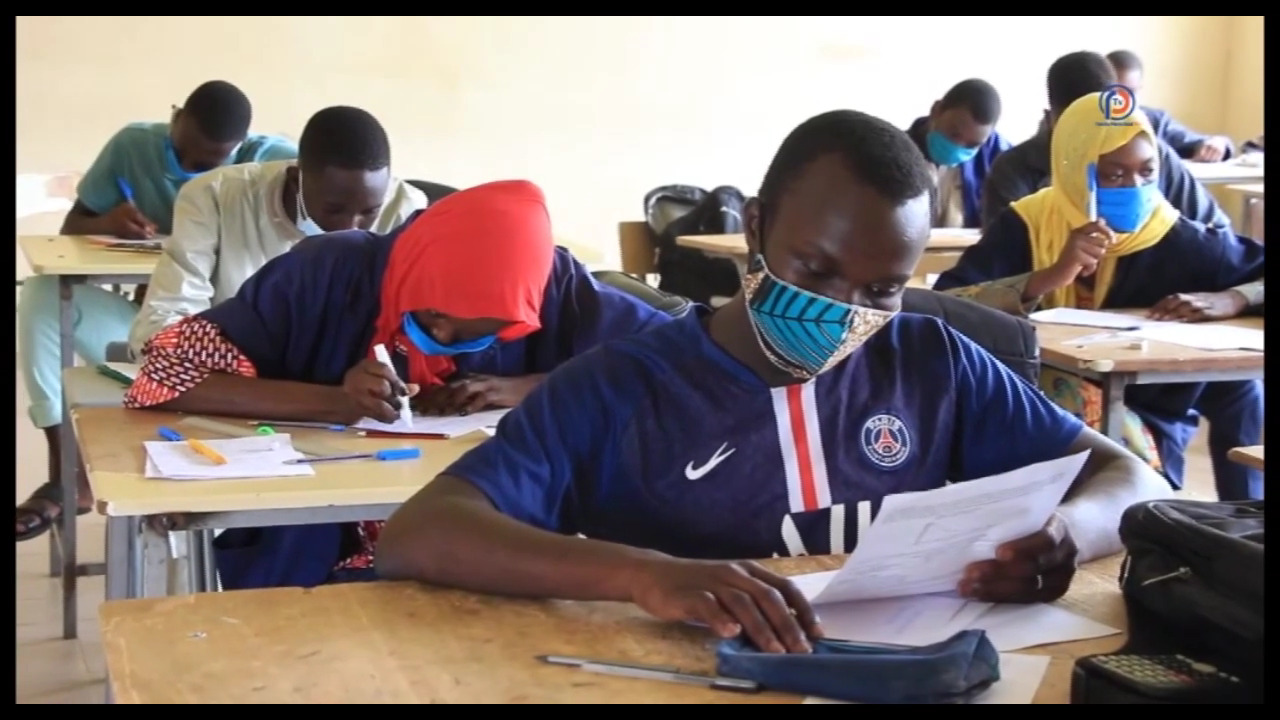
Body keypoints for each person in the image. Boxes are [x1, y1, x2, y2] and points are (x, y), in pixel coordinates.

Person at [375, 110, 1173, 654]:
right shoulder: (623, 386)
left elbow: (1133, 479)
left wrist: (1069, 532)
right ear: (756, 228)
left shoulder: (931, 363)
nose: (842, 310)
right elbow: (422, 533)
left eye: (881, 289)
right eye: (814, 270)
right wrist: (642, 574)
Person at [122, 179, 674, 589]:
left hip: (483, 546)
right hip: (316, 547)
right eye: (431, 313)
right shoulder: (326, 273)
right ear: (417, 266)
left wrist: (534, 387)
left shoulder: (552, 289)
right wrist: (335, 401)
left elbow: (675, 361)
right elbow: (163, 376)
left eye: (476, 335)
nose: (440, 338)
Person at [934, 94, 1264, 501]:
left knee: (1237, 390)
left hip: (1145, 416)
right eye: (1113, 175)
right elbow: (947, 304)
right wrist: (1049, 276)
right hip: (1021, 399)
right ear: (1075, 170)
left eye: (1147, 172)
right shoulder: (1028, 225)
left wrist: (1234, 298)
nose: (1135, 188)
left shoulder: (1179, 239)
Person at [16, 80, 297, 543]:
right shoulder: (133, 145)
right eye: (181, 155)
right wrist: (106, 223)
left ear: (239, 148)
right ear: (175, 119)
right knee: (43, 294)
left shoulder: (276, 165)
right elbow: (72, 229)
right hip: (154, 334)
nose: (188, 170)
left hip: (237, 350)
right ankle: (69, 472)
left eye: (205, 166)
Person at [128, 105, 428, 355]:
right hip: (234, 377)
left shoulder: (405, 209)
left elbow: (418, 329)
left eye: (369, 213)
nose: (351, 227)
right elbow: (162, 325)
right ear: (297, 181)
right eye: (334, 210)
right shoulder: (215, 198)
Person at [981, 52, 1228, 231]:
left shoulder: (1150, 156)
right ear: (1051, 120)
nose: (1091, 137)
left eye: (1099, 122)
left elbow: (1215, 230)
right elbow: (999, 268)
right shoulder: (1013, 171)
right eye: (1076, 126)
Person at [905, 78, 1010, 228]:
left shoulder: (998, 159)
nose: (958, 148)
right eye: (954, 134)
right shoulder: (894, 155)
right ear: (936, 111)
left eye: (972, 145)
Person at [1106, 50, 1234, 163]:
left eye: (1130, 92)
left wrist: (1218, 144)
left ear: (1139, 89)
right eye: (1114, 92)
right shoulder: (1094, 124)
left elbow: (1196, 141)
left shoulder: (1157, 122)